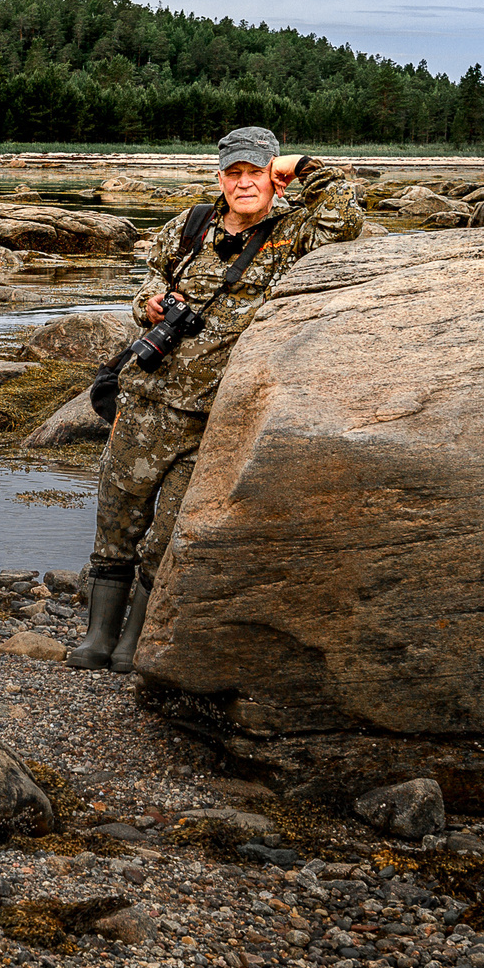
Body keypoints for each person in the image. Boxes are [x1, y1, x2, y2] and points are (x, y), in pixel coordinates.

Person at [66, 126, 363, 671]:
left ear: (272, 175)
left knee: (166, 539)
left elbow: (347, 218)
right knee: (116, 525)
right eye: (234, 174)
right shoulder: (193, 223)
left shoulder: (294, 230)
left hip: (215, 416)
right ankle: (98, 639)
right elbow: (151, 273)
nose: (243, 184)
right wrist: (148, 303)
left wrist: (301, 164)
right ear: (220, 176)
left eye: (256, 173)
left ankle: (137, 641)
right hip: (145, 403)